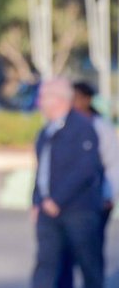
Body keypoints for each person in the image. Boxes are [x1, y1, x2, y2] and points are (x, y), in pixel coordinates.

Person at [31, 78, 104, 288]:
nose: (40, 101)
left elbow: (86, 170)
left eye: (43, 96)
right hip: (47, 213)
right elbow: (41, 171)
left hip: (79, 211)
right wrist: (37, 201)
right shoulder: (46, 131)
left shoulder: (83, 128)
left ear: (59, 100)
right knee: (47, 266)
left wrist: (57, 199)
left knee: (88, 265)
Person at [56, 81, 119, 288]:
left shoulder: (100, 127)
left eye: (76, 98)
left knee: (90, 255)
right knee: (64, 257)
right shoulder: (61, 124)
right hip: (67, 203)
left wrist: (109, 196)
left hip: (96, 201)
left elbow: (112, 164)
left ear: (87, 100)